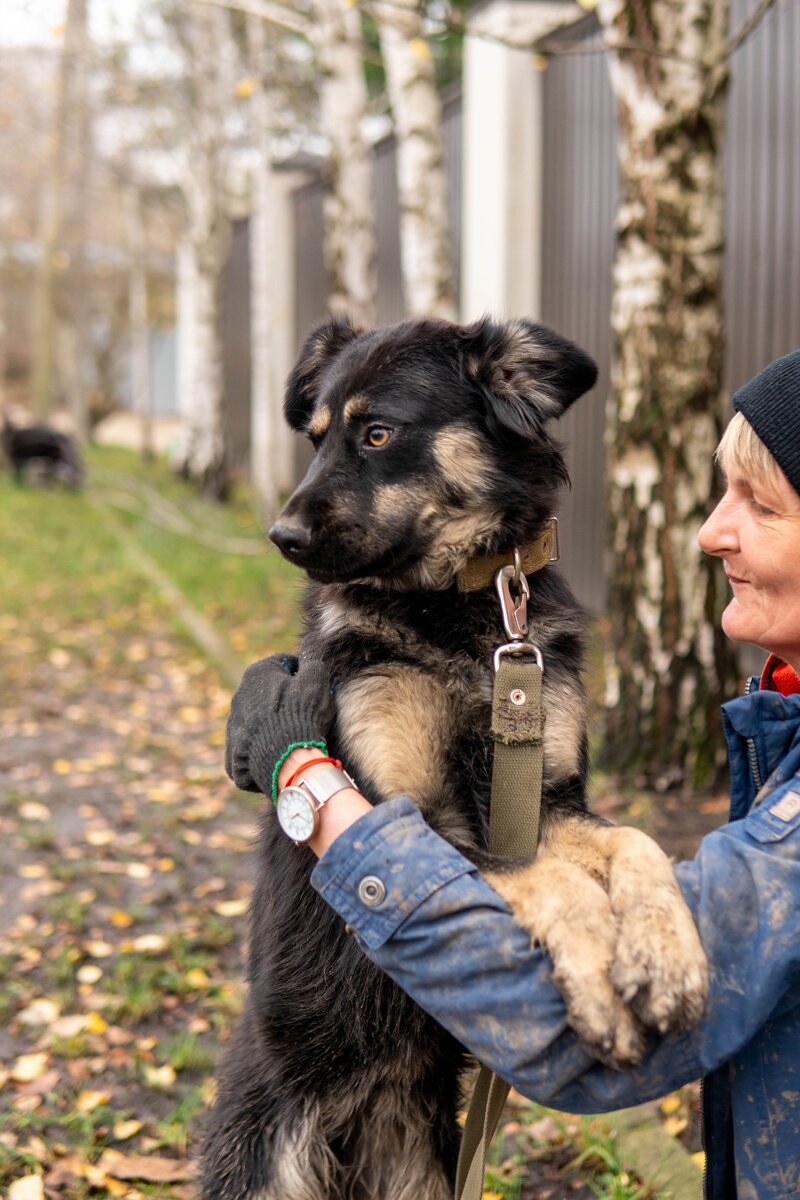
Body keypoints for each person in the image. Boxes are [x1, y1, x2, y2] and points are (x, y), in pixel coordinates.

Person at [226, 350, 800, 1200]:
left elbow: (487, 871)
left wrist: (302, 777)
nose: (712, 531)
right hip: (296, 1094)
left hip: (425, 1092)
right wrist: (615, 872)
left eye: (762, 504)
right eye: (721, 494)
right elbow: (524, 837)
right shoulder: (779, 706)